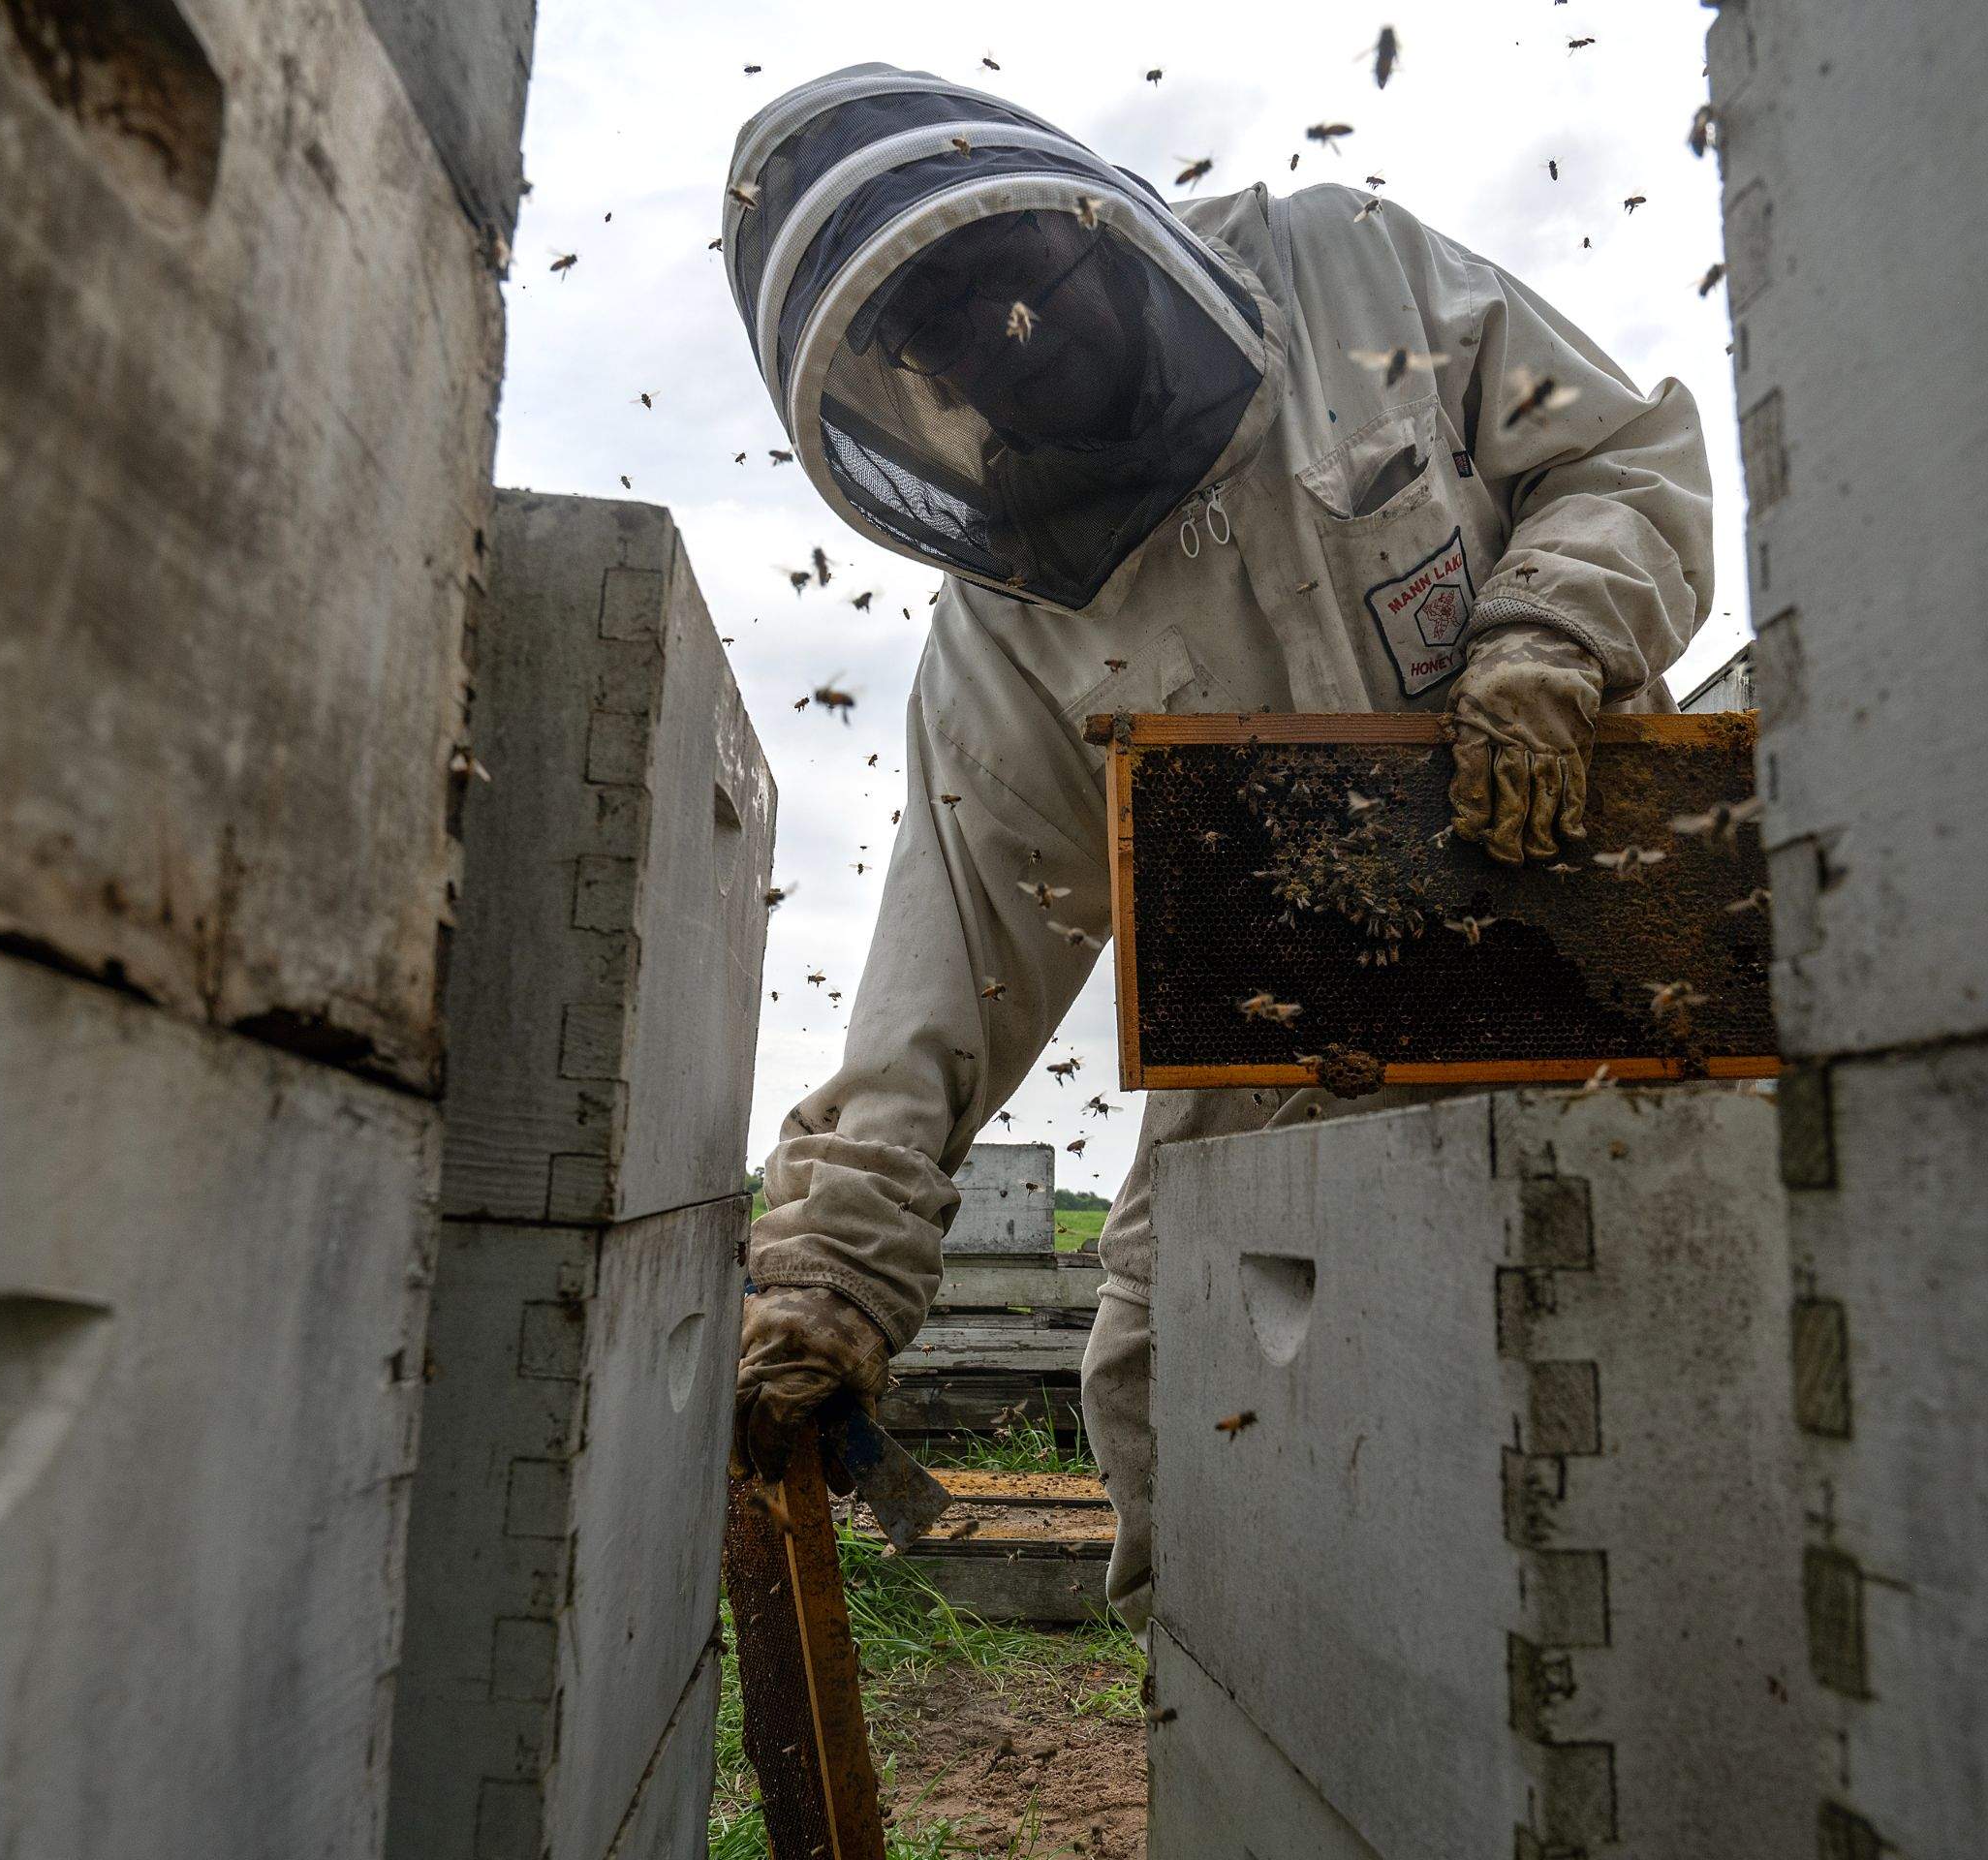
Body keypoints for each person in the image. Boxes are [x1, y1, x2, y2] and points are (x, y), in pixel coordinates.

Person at [722, 65, 1712, 1632]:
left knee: (1667, 1392)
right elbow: (957, 943)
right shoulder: (1004, 630)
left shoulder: (1350, 272)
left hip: (1597, 962)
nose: (1009, 350)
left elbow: (1620, 460)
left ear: (1084, 227)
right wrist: (837, 1255)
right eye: (948, 343)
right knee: (1170, 1386)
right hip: (1270, 1059)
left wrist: (1549, 630)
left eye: (1009, 293)